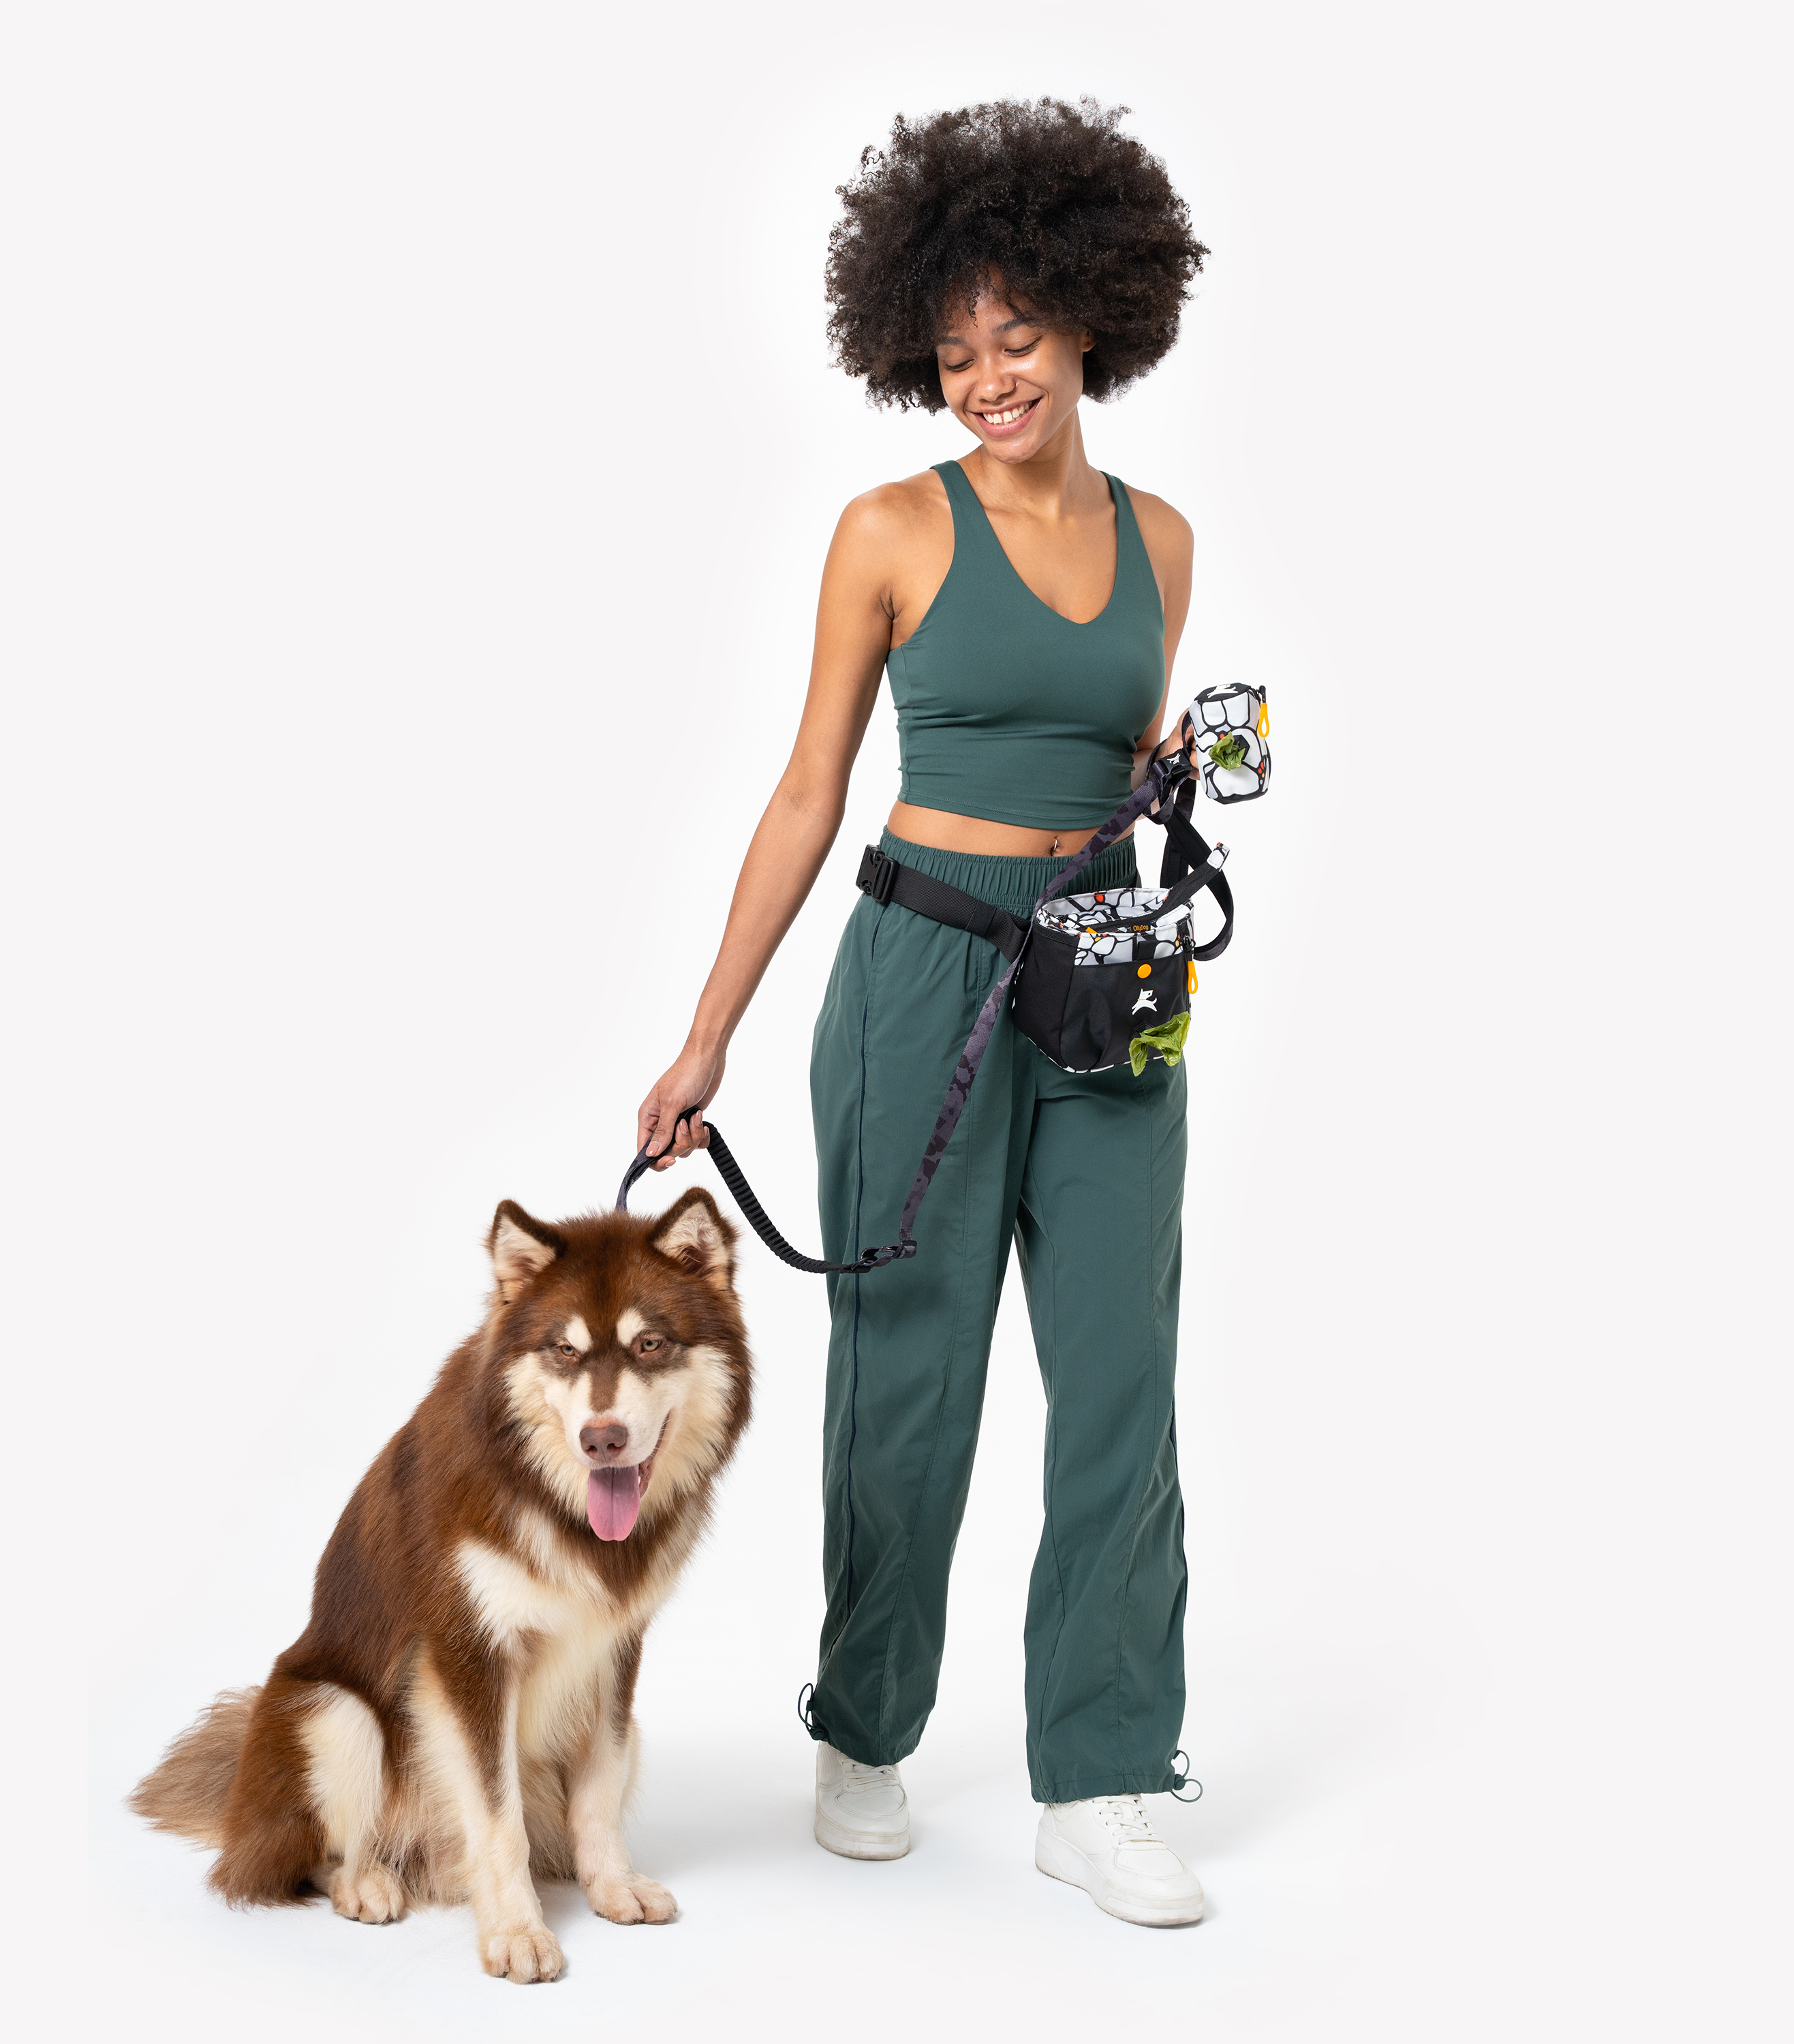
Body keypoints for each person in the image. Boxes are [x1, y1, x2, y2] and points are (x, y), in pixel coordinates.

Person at [635, 98, 1214, 1928]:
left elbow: (1119, 763)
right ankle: (865, 1721)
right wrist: (707, 1032)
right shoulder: (890, 529)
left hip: (1107, 982)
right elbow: (808, 790)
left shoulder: (1165, 542)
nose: (987, 379)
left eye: (1017, 339)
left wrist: (1168, 781)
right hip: (917, 974)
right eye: (955, 350)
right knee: (910, 1379)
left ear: (1090, 321)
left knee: (1122, 1370)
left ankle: (1107, 1773)